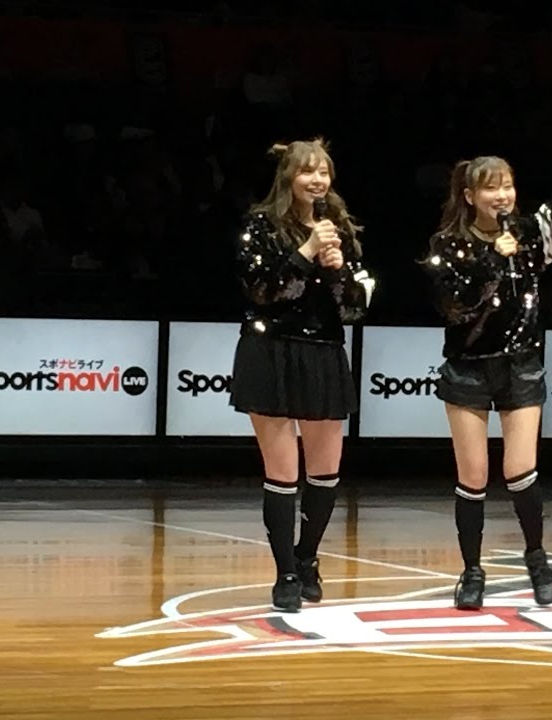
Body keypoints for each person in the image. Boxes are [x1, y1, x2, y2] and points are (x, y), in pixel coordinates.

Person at [423, 102, 552, 610]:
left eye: (508, 185)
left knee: (520, 470)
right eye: (491, 187)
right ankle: (472, 571)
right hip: (468, 368)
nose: (503, 195)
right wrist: (495, 259)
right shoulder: (449, 245)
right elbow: (454, 305)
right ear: (470, 195)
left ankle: (538, 560)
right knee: (473, 476)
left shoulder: (529, 235)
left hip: (520, 364)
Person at [230, 139, 375, 613]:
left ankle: (307, 557)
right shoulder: (261, 225)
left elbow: (355, 309)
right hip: (270, 350)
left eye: (324, 172)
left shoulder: (341, 230)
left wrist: (339, 273)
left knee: (325, 471)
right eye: (307, 172)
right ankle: (285, 573)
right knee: (282, 473)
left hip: (323, 353)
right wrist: (307, 251)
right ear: (288, 177)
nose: (317, 180)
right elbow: (264, 290)